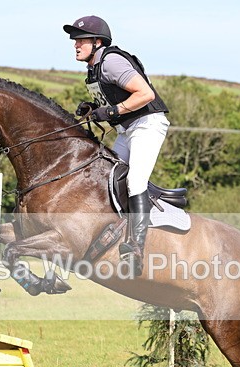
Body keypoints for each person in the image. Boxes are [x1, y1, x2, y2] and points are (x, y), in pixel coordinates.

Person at [63, 15, 169, 276]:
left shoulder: (111, 61)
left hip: (147, 124)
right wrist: (95, 108)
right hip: (128, 129)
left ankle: (136, 246)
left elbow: (145, 94)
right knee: (103, 173)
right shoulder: (95, 67)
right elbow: (114, 101)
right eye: (74, 40)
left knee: (135, 182)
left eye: (80, 40)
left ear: (98, 42)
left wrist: (110, 112)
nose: (75, 44)